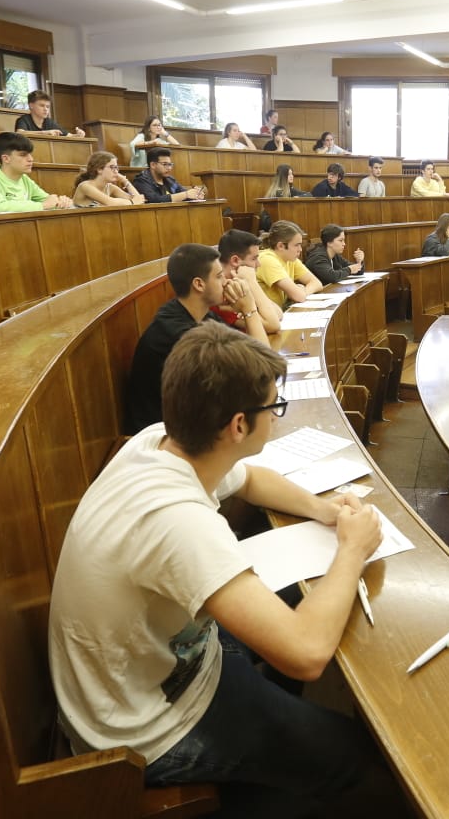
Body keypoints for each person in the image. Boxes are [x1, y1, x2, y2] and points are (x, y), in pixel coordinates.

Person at [52, 321, 382, 815]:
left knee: (297, 598)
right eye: (274, 408)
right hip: (146, 726)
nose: (278, 417)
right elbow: (307, 653)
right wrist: (352, 550)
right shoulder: (178, 524)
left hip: (161, 664)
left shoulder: (158, 442)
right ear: (239, 426)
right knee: (357, 758)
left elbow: (249, 479)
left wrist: (326, 511)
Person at [124, 242, 269, 433]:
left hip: (193, 423)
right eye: (219, 277)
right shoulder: (178, 334)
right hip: (166, 438)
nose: (226, 282)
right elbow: (262, 370)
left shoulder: (200, 313)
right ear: (199, 284)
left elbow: (250, 351)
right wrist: (249, 308)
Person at [0, 131, 73, 213]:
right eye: (23, 155)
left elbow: (48, 200)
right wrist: (42, 206)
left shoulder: (24, 179)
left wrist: (61, 202)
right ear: (6, 159)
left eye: (30, 154)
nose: (31, 159)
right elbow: (0, 208)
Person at [216, 229, 283, 335]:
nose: (258, 264)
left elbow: (278, 314)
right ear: (235, 261)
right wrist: (252, 282)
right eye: (254, 259)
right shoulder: (223, 291)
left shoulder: (239, 283)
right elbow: (273, 325)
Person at [257, 220, 323, 308]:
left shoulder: (290, 258)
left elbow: (317, 283)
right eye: (297, 245)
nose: (300, 249)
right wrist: (300, 292)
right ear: (280, 246)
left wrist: (304, 291)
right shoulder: (267, 260)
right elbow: (298, 297)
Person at [132, 147, 206, 203]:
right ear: (153, 165)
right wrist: (186, 194)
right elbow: (154, 200)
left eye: (170, 164)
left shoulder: (170, 180)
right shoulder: (141, 180)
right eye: (165, 164)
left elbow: (182, 192)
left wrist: (195, 195)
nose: (169, 168)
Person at [71, 152, 145, 207]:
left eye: (116, 168)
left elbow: (138, 200)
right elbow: (110, 202)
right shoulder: (85, 186)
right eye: (112, 167)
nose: (116, 171)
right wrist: (132, 202)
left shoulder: (110, 187)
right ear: (99, 169)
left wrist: (125, 181)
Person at [15, 90, 85, 137]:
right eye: (42, 105)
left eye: (48, 106)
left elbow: (69, 136)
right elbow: (19, 133)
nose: (45, 109)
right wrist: (44, 133)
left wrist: (79, 135)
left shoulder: (49, 122)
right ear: (31, 105)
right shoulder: (24, 119)